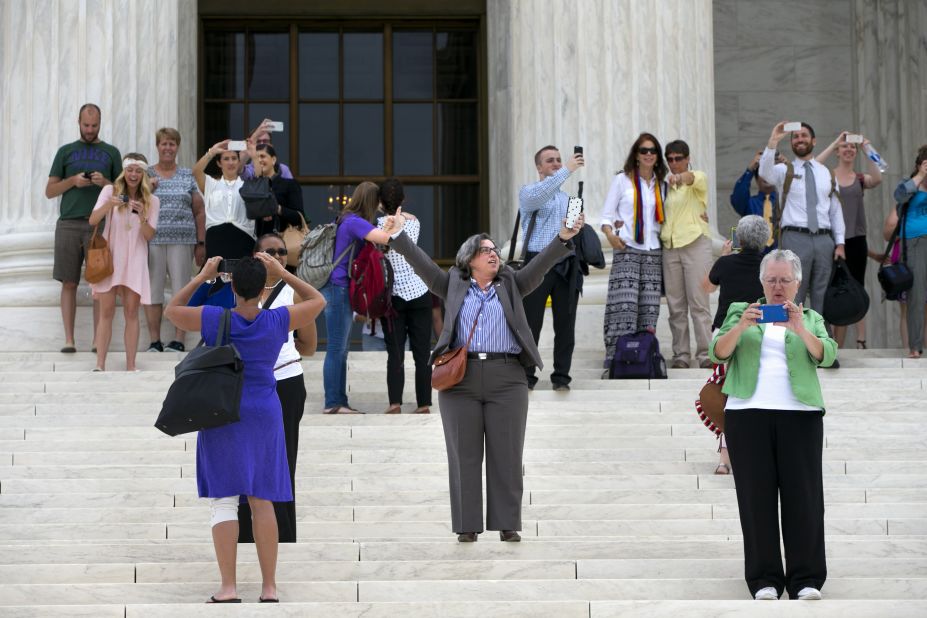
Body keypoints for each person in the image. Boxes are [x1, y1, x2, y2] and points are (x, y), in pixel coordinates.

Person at [382, 207, 585, 543]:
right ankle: (467, 525)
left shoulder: (512, 283)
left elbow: (541, 265)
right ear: (469, 259)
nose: (494, 255)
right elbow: (421, 264)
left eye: (495, 251)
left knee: (507, 453)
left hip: (507, 377)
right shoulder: (451, 284)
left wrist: (563, 236)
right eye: (486, 250)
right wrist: (398, 235)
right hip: (459, 379)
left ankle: (508, 523)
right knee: (463, 455)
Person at [164, 254, 326, 603]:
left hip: (223, 412)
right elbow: (318, 300)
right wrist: (283, 272)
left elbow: (172, 310)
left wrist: (203, 276)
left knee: (224, 499)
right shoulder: (277, 320)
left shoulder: (214, 318)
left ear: (233, 286)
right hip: (265, 412)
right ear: (263, 286)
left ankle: (229, 587)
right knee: (262, 500)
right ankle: (269, 588)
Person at [710, 249, 837, 602]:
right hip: (747, 414)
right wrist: (741, 326)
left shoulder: (810, 317)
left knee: (805, 498)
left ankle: (806, 578)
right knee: (755, 498)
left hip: (800, 415)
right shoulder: (740, 311)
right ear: (761, 282)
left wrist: (798, 328)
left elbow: (827, 354)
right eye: (771, 280)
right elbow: (716, 352)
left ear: (797, 283)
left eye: (785, 280)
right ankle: (763, 579)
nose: (778, 287)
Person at [238, 233, 317, 544]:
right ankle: (246, 532)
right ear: (256, 254)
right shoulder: (238, 289)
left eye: (282, 252)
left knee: (283, 459)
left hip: (286, 381)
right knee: (246, 459)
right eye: (270, 251)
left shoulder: (292, 292)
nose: (278, 256)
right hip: (246, 385)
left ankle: (283, 533)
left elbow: (309, 345)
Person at [45, 103, 122, 353]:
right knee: (68, 282)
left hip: (99, 225)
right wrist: (73, 181)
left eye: (94, 125)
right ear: (78, 122)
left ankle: (97, 340)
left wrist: (105, 182)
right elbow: (50, 191)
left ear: (101, 123)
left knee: (99, 284)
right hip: (68, 223)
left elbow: (122, 192)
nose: (90, 130)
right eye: (86, 125)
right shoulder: (65, 151)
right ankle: (69, 339)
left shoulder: (111, 152)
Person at [320, 181, 397, 414]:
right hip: (338, 288)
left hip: (338, 288)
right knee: (336, 348)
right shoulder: (354, 222)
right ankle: (333, 402)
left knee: (340, 348)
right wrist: (394, 225)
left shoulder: (347, 219)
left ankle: (339, 401)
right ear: (371, 201)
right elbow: (384, 239)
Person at [701, 215, 769, 475]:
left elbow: (706, 287)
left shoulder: (726, 263)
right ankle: (748, 452)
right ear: (765, 239)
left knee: (727, 392)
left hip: (726, 332)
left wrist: (724, 256)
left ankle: (724, 458)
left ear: (739, 237)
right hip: (760, 331)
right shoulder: (769, 266)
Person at [758, 122, 846, 316]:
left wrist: (840, 243)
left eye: (804, 136)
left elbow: (835, 211)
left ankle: (819, 341)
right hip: (794, 237)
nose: (800, 140)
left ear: (813, 141)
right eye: (795, 137)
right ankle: (790, 340)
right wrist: (773, 140)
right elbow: (764, 172)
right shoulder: (784, 170)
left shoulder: (827, 173)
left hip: (824, 240)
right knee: (792, 292)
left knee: (821, 295)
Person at [518, 144, 585, 390]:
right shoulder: (528, 192)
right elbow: (542, 193)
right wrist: (567, 168)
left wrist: (579, 223)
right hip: (537, 262)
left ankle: (561, 376)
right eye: (550, 160)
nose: (556, 163)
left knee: (566, 324)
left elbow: (574, 231)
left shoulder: (571, 198)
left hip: (566, 263)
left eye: (558, 159)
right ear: (538, 167)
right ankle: (526, 375)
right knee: (531, 323)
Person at [87, 154, 160, 372]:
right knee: (106, 311)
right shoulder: (109, 191)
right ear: (124, 172)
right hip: (112, 256)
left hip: (136, 257)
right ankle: (100, 364)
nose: (134, 175)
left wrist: (141, 216)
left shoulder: (152, 201)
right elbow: (92, 220)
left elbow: (148, 236)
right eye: (130, 170)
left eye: (138, 171)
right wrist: (109, 204)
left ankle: (131, 365)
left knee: (131, 312)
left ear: (144, 174)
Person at [600, 133, 667, 364]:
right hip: (628, 248)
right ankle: (617, 356)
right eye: (643, 151)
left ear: (658, 157)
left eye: (653, 151)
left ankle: (643, 355)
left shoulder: (662, 185)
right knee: (624, 306)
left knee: (649, 307)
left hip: (654, 250)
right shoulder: (622, 180)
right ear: (636, 155)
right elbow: (606, 216)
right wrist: (610, 235)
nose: (648, 154)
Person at [815, 131, 883, 349]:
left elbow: (880, 174)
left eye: (852, 147)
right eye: (844, 147)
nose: (848, 150)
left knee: (856, 287)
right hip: (831, 239)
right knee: (834, 290)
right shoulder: (827, 176)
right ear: (837, 151)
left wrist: (867, 147)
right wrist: (836, 140)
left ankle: (860, 340)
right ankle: (835, 344)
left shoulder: (861, 179)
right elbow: (814, 165)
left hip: (856, 239)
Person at [145, 127, 205, 353]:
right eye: (164, 143)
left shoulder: (187, 175)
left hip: (183, 239)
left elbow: (199, 210)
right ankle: (154, 340)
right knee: (153, 290)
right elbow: (137, 205)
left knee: (182, 289)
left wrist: (201, 242)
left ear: (177, 147)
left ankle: (179, 339)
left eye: (172, 144)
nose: (168, 148)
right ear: (157, 146)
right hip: (153, 240)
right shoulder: (147, 174)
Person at [377, 178, 433, 414]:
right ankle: (423, 404)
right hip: (418, 291)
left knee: (395, 352)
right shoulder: (414, 223)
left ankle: (395, 403)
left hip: (392, 295)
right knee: (422, 353)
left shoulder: (376, 226)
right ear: (403, 200)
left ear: (380, 202)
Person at [661, 139, 713, 369]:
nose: (674, 163)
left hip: (695, 243)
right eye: (670, 159)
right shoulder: (662, 187)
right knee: (675, 305)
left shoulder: (697, 177)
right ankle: (681, 354)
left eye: (678, 158)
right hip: (670, 246)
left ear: (687, 158)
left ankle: (705, 354)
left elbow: (692, 178)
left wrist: (680, 177)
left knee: (699, 302)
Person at [193, 139, 255, 260]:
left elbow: (261, 177)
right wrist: (212, 152)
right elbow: (196, 172)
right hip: (216, 239)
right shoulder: (211, 184)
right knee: (217, 276)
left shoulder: (248, 186)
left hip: (243, 237)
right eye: (226, 159)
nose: (230, 162)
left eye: (234, 158)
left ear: (239, 162)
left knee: (242, 277)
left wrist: (254, 155)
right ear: (219, 163)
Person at [893, 146, 927, 358]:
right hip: (915, 241)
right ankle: (915, 346)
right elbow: (899, 196)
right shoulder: (909, 184)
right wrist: (921, 175)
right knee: (917, 295)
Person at [246, 141, 304, 238]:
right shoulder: (252, 187)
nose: (259, 160)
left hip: (284, 242)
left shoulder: (289, 184)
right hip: (258, 242)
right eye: (256, 158)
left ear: (273, 160)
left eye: (262, 156)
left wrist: (277, 208)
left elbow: (299, 217)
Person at [730, 150, 781, 251]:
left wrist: (785, 164)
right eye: (763, 174)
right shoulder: (750, 203)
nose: (767, 177)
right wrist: (750, 169)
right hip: (753, 257)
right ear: (757, 179)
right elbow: (737, 197)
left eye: (771, 173)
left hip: (780, 257)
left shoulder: (786, 202)